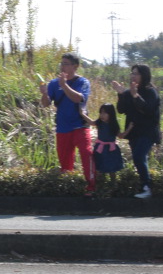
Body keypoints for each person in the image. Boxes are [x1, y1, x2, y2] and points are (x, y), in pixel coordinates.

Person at [39, 52, 95, 196]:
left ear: (75, 66)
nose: (62, 66)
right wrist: (44, 93)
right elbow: (45, 104)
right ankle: (69, 188)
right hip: (63, 127)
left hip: (80, 126)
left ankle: (91, 187)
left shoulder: (82, 82)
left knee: (86, 154)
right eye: (61, 63)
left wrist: (64, 85)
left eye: (66, 64)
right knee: (65, 161)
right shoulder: (53, 83)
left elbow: (78, 98)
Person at [112, 64, 161, 199]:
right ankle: (144, 185)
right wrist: (121, 94)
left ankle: (147, 187)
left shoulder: (151, 92)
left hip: (148, 131)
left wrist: (135, 95)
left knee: (139, 156)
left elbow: (148, 110)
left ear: (144, 75)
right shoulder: (129, 92)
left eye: (136, 73)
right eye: (132, 73)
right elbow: (121, 110)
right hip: (133, 131)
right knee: (138, 158)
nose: (133, 76)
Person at [80, 103, 132, 176]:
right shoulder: (99, 123)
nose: (102, 115)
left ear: (111, 114)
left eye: (104, 113)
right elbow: (91, 122)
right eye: (101, 113)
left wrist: (129, 128)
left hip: (111, 150)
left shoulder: (114, 125)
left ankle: (113, 181)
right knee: (99, 166)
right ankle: (100, 181)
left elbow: (120, 136)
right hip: (100, 149)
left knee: (112, 167)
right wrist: (82, 114)